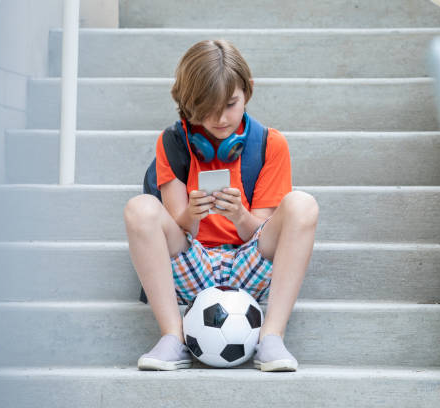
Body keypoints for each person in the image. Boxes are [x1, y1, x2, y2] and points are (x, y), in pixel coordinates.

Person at [123, 39, 319, 372]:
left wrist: (240, 215)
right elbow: (176, 228)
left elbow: (263, 232)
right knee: (140, 208)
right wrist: (193, 215)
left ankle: (271, 337)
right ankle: (173, 336)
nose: (220, 118)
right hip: (192, 259)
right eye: (208, 108)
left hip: (249, 261)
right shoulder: (173, 142)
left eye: (230, 104)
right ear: (188, 104)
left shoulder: (270, 144)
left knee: (303, 204)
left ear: (248, 91)